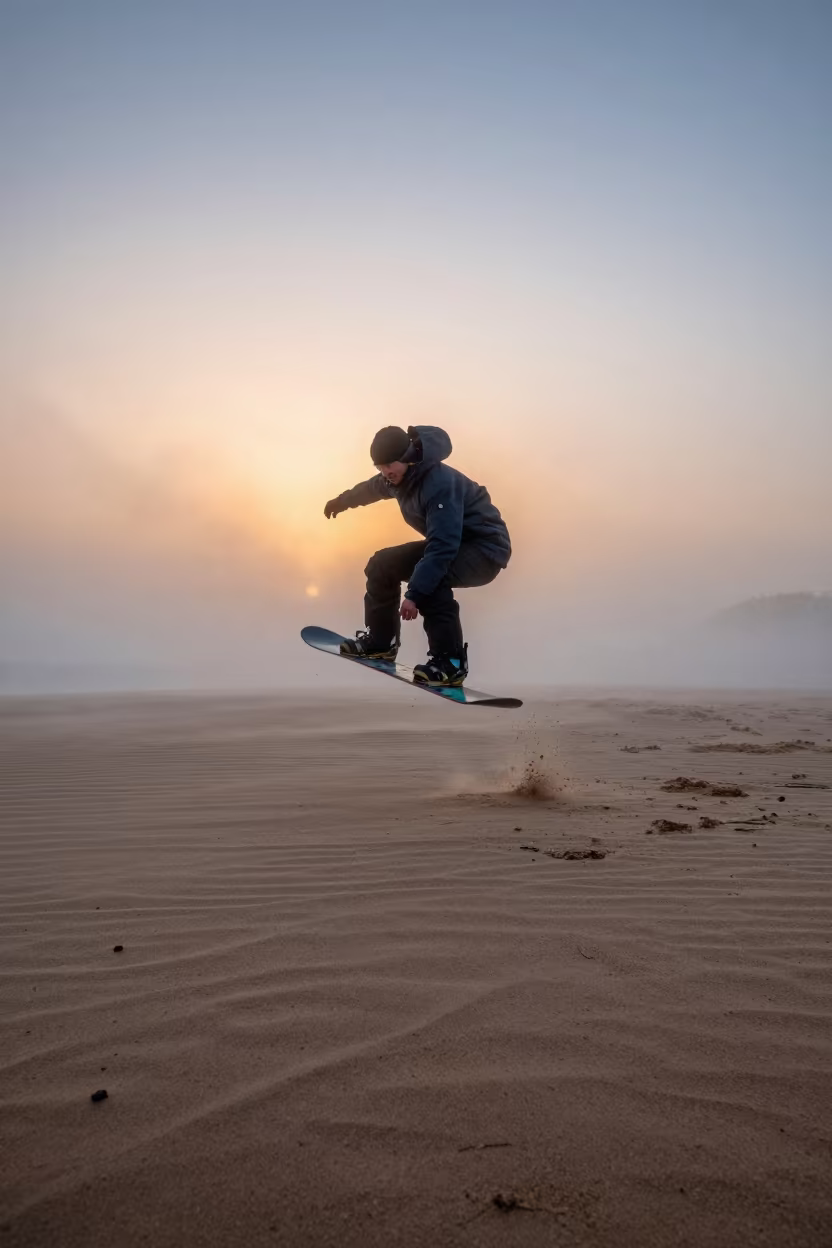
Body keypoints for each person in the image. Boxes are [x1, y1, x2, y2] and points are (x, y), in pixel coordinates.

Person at [324, 425, 511, 687]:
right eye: (380, 466)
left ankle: (450, 663)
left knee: (432, 578)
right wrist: (341, 501)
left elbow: (442, 547)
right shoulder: (397, 479)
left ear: (408, 456)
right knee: (382, 564)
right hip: (453, 545)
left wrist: (413, 595)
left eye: (390, 464)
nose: (386, 472)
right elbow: (370, 489)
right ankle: (381, 643)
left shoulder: (438, 484)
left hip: (485, 549)